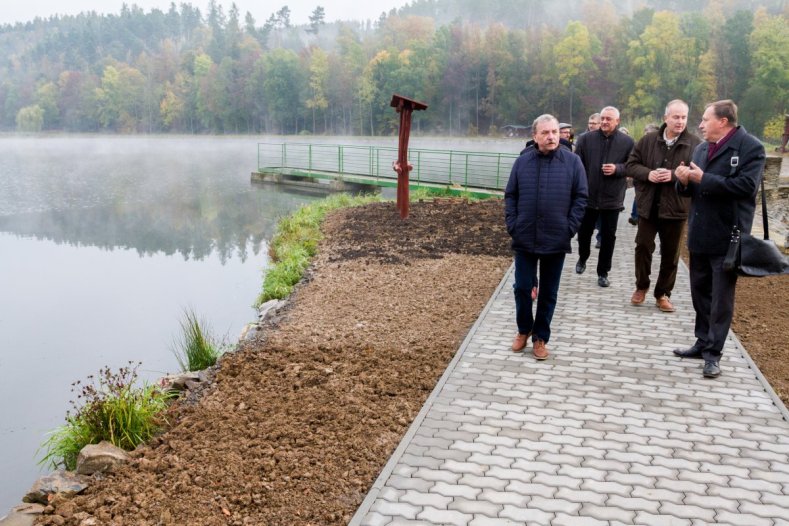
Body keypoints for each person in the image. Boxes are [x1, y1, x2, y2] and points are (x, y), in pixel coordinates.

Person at [674, 100, 765, 378]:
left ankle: (714, 354)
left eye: (704, 119)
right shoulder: (701, 148)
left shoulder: (751, 147)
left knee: (721, 299)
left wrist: (703, 179)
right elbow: (691, 188)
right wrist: (683, 180)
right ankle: (702, 342)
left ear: (723, 121)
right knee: (699, 292)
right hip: (700, 233)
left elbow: (747, 187)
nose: (699, 124)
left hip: (729, 236)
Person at [505, 114, 588, 360]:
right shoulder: (522, 162)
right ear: (535, 136)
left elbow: (581, 197)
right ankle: (524, 329)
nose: (551, 137)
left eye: (554, 132)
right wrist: (514, 224)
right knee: (522, 287)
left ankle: (541, 337)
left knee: (549, 292)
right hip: (525, 236)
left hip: (556, 237)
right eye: (545, 133)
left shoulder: (573, 162)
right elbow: (511, 195)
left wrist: (568, 227)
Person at [626, 100, 701, 313]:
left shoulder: (695, 144)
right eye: (676, 117)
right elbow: (631, 165)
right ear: (665, 118)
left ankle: (663, 293)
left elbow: (699, 175)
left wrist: (674, 176)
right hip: (648, 206)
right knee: (642, 246)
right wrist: (648, 173)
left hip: (676, 208)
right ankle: (641, 286)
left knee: (671, 254)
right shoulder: (648, 140)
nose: (680, 121)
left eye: (684, 117)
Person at [574, 106, 635, 287]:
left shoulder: (627, 142)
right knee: (584, 233)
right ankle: (583, 257)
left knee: (609, 237)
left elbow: (632, 165)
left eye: (609, 119)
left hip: (612, 197)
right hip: (588, 196)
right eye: (603, 118)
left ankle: (603, 272)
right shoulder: (586, 139)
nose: (605, 122)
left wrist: (618, 169)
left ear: (617, 121)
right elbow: (577, 164)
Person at [629, 123, 661, 225]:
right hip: (641, 179)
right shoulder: (639, 145)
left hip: (657, 180)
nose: (648, 136)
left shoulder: (661, 146)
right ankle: (635, 216)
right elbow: (632, 163)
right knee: (638, 197)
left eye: (651, 133)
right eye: (646, 133)